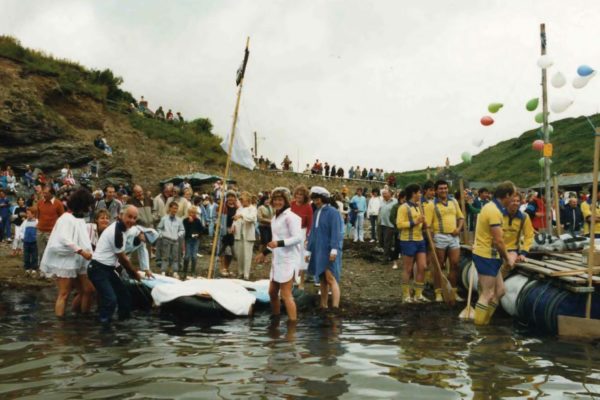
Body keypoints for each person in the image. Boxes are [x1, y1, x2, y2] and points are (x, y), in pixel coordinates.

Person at [40, 189, 96, 317]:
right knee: (64, 293)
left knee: (88, 290)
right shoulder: (66, 218)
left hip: (79, 260)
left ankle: (80, 317)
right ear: (82, 204)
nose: (90, 207)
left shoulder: (80, 220)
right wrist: (81, 252)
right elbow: (64, 239)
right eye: (88, 204)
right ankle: (60, 324)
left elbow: (84, 240)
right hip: (66, 260)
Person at [255, 187, 303, 321]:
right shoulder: (275, 218)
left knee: (286, 294)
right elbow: (274, 241)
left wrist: (279, 243)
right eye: (275, 199)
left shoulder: (292, 217)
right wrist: (264, 253)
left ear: (286, 201)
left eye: (280, 199)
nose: (277, 202)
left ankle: (292, 325)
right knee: (272, 292)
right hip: (278, 259)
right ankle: (275, 319)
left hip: (289, 259)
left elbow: (298, 238)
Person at [88, 205, 142, 323]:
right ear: (121, 215)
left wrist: (142, 234)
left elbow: (137, 230)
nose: (132, 221)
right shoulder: (116, 232)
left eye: (134, 218)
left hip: (108, 269)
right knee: (110, 300)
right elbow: (122, 259)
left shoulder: (124, 227)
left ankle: (123, 325)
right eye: (129, 217)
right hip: (97, 269)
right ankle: (104, 331)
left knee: (124, 297)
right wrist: (134, 273)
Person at [472, 181, 516, 326]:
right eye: (513, 196)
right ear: (507, 195)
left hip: (491, 255)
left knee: (500, 291)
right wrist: (508, 257)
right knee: (487, 294)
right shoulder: (493, 210)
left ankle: (485, 320)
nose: (514, 200)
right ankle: (479, 328)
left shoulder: (493, 208)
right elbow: (498, 240)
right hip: (486, 255)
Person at [424, 180, 465, 302]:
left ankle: (453, 291)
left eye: (445, 188)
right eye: (441, 188)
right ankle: (438, 293)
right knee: (439, 265)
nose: (444, 190)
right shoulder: (431, 205)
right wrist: (431, 240)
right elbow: (428, 225)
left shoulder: (453, 202)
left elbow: (461, 217)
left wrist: (458, 229)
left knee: (455, 264)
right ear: (436, 190)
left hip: (453, 237)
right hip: (439, 237)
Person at [306, 186, 343, 312]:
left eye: (317, 199)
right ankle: (324, 305)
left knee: (330, 278)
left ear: (323, 199)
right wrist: (308, 250)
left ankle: (335, 307)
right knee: (322, 278)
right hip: (318, 250)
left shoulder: (333, 212)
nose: (315, 202)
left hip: (328, 250)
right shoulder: (316, 212)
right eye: (314, 199)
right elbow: (313, 233)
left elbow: (336, 232)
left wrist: (334, 249)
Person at [397, 184, 429, 303]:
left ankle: (418, 294)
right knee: (408, 269)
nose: (420, 195)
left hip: (420, 240)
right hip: (408, 241)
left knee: (422, 267)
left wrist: (424, 224)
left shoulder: (419, 206)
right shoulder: (403, 207)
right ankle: (406, 295)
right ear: (413, 194)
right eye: (419, 193)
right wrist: (415, 222)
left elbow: (421, 224)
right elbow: (399, 224)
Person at [501, 192, 534, 277]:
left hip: (512, 249)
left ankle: (498, 284)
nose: (515, 203)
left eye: (517, 201)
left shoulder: (524, 217)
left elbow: (529, 235)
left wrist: (523, 253)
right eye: (513, 201)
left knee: (509, 263)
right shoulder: (498, 215)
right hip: (497, 248)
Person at [36, 185, 65, 269]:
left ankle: (51, 270)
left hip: (52, 232)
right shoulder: (40, 202)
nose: (44, 195)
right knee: (41, 252)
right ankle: (42, 269)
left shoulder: (58, 203)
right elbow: (38, 215)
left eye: (46, 193)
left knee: (51, 251)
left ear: (52, 194)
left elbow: (62, 218)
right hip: (40, 231)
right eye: (43, 193)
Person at [291, 185, 313, 289]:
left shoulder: (308, 207)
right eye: (297, 194)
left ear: (305, 196)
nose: (299, 196)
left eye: (301, 194)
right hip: (292, 233)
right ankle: (293, 279)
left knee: (302, 258)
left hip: (303, 233)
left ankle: (302, 281)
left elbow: (310, 224)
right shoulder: (291, 204)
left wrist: (308, 238)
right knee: (291, 256)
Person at [233, 191, 257, 280]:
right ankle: (240, 272)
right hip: (239, 233)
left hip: (248, 234)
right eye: (241, 200)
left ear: (248, 200)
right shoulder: (239, 209)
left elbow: (252, 218)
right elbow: (235, 219)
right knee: (239, 254)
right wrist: (233, 226)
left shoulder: (253, 208)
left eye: (243, 200)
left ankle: (246, 274)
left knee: (247, 255)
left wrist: (242, 216)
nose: (242, 202)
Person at [157, 202, 185, 278]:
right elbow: (159, 228)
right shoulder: (164, 219)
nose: (175, 210)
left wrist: (178, 235)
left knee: (175, 257)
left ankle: (175, 272)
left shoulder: (179, 220)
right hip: (166, 240)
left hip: (175, 241)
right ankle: (163, 271)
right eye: (173, 208)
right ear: (169, 208)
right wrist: (161, 235)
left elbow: (182, 230)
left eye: (176, 208)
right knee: (165, 256)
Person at [219, 191, 239, 277]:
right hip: (224, 232)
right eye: (229, 196)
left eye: (232, 196)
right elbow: (219, 219)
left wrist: (234, 228)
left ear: (235, 198)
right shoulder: (223, 207)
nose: (231, 198)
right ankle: (222, 268)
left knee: (230, 253)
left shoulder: (238, 208)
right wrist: (225, 228)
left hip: (233, 232)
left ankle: (226, 267)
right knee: (223, 251)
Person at [183, 207, 204, 278]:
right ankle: (184, 270)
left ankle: (192, 271)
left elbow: (202, 230)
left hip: (196, 240)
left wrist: (198, 234)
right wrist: (189, 223)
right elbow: (184, 231)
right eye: (191, 212)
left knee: (194, 256)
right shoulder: (185, 221)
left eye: (194, 213)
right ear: (188, 213)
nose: (193, 214)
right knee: (187, 256)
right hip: (188, 239)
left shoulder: (198, 221)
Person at [378, 189, 398, 265]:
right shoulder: (382, 201)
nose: (383, 195)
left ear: (390, 194)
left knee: (387, 242)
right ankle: (392, 255)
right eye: (383, 193)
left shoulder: (395, 202)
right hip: (381, 224)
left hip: (389, 225)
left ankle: (385, 259)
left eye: (385, 193)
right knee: (381, 242)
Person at [21, 207, 38, 274]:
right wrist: (22, 237)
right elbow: (22, 230)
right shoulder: (25, 222)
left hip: (34, 242)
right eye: (26, 213)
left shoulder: (37, 222)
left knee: (34, 255)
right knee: (26, 255)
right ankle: (27, 268)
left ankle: (34, 268)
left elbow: (38, 231)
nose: (27, 215)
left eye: (28, 213)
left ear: (33, 214)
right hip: (26, 241)